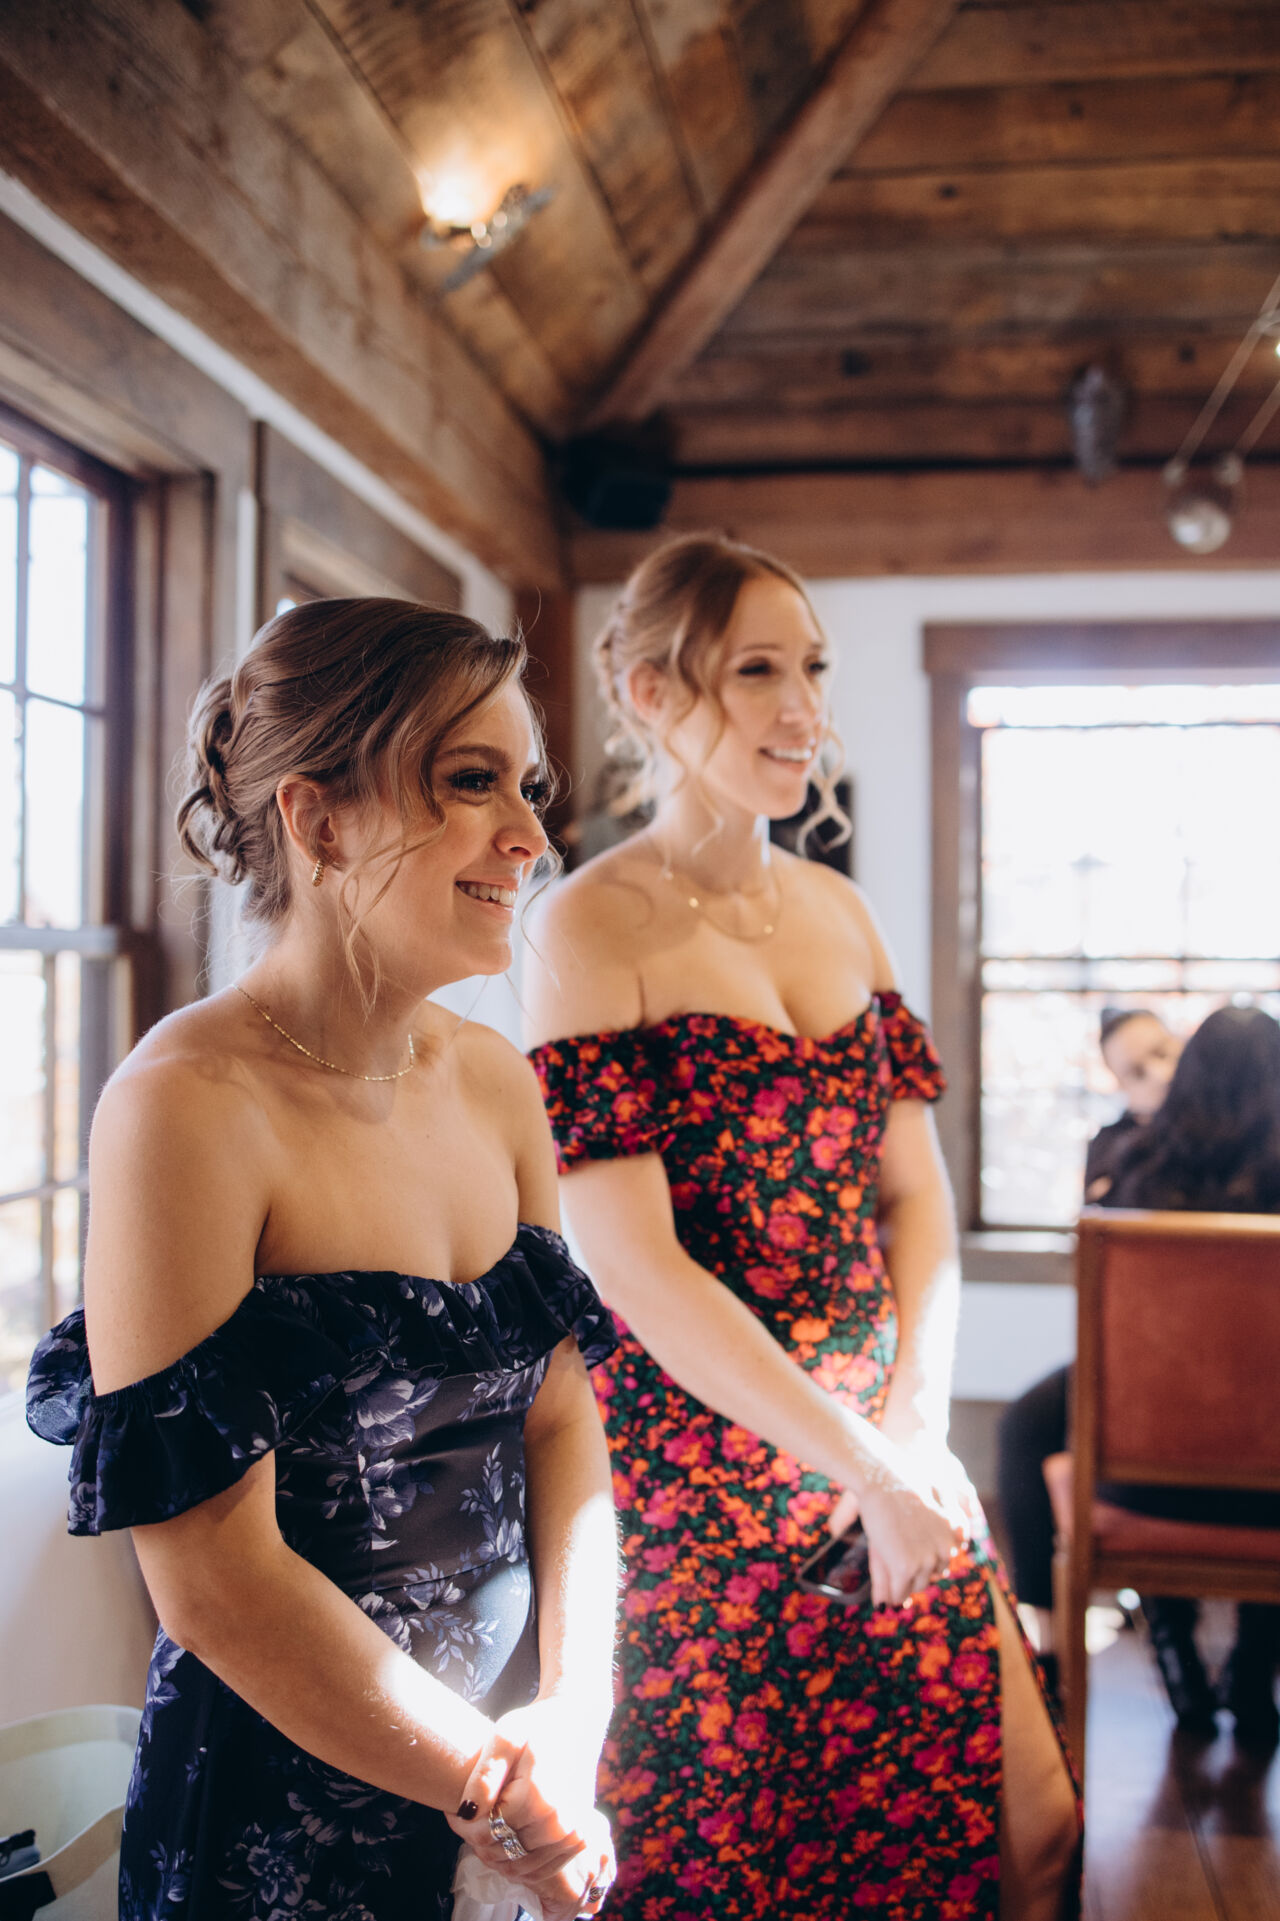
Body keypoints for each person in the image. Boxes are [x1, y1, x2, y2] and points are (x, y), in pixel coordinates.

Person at [25, 599, 620, 1921]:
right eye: (470, 781)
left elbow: (561, 1419)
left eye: (526, 788)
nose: (529, 837)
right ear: (319, 819)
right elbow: (216, 1586)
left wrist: (573, 1716)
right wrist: (493, 1786)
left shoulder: (496, 1082)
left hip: (517, 1777)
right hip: (281, 1833)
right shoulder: (184, 1108)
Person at [524, 535, 1080, 1921]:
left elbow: (916, 1197)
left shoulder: (842, 913)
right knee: (752, 1867)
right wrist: (859, 1461)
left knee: (1033, 1825)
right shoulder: (585, 928)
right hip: (704, 1463)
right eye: (757, 670)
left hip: (888, 1429)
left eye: (813, 668)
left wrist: (911, 1430)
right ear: (651, 691)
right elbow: (633, 1263)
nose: (802, 708)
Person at [1099, 1004, 1280, 1744]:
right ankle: (1254, 1666)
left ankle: (1171, 1652)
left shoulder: (1134, 1174)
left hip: (1142, 1479)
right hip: (1270, 1489)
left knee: (1034, 1425)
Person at [999, 1007, 1182, 1677]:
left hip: (1217, 1366)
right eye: (1135, 1069)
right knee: (1024, 1426)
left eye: (1162, 1051)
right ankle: (1047, 1643)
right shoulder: (1117, 1145)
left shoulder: (1238, 1133)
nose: (1157, 1073)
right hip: (1134, 1355)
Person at [1084, 1007, 1181, 1201]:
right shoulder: (1109, 1150)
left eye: (1162, 1053)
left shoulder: (1226, 1118)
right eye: (1137, 1072)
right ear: (1120, 1085)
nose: (1161, 1075)